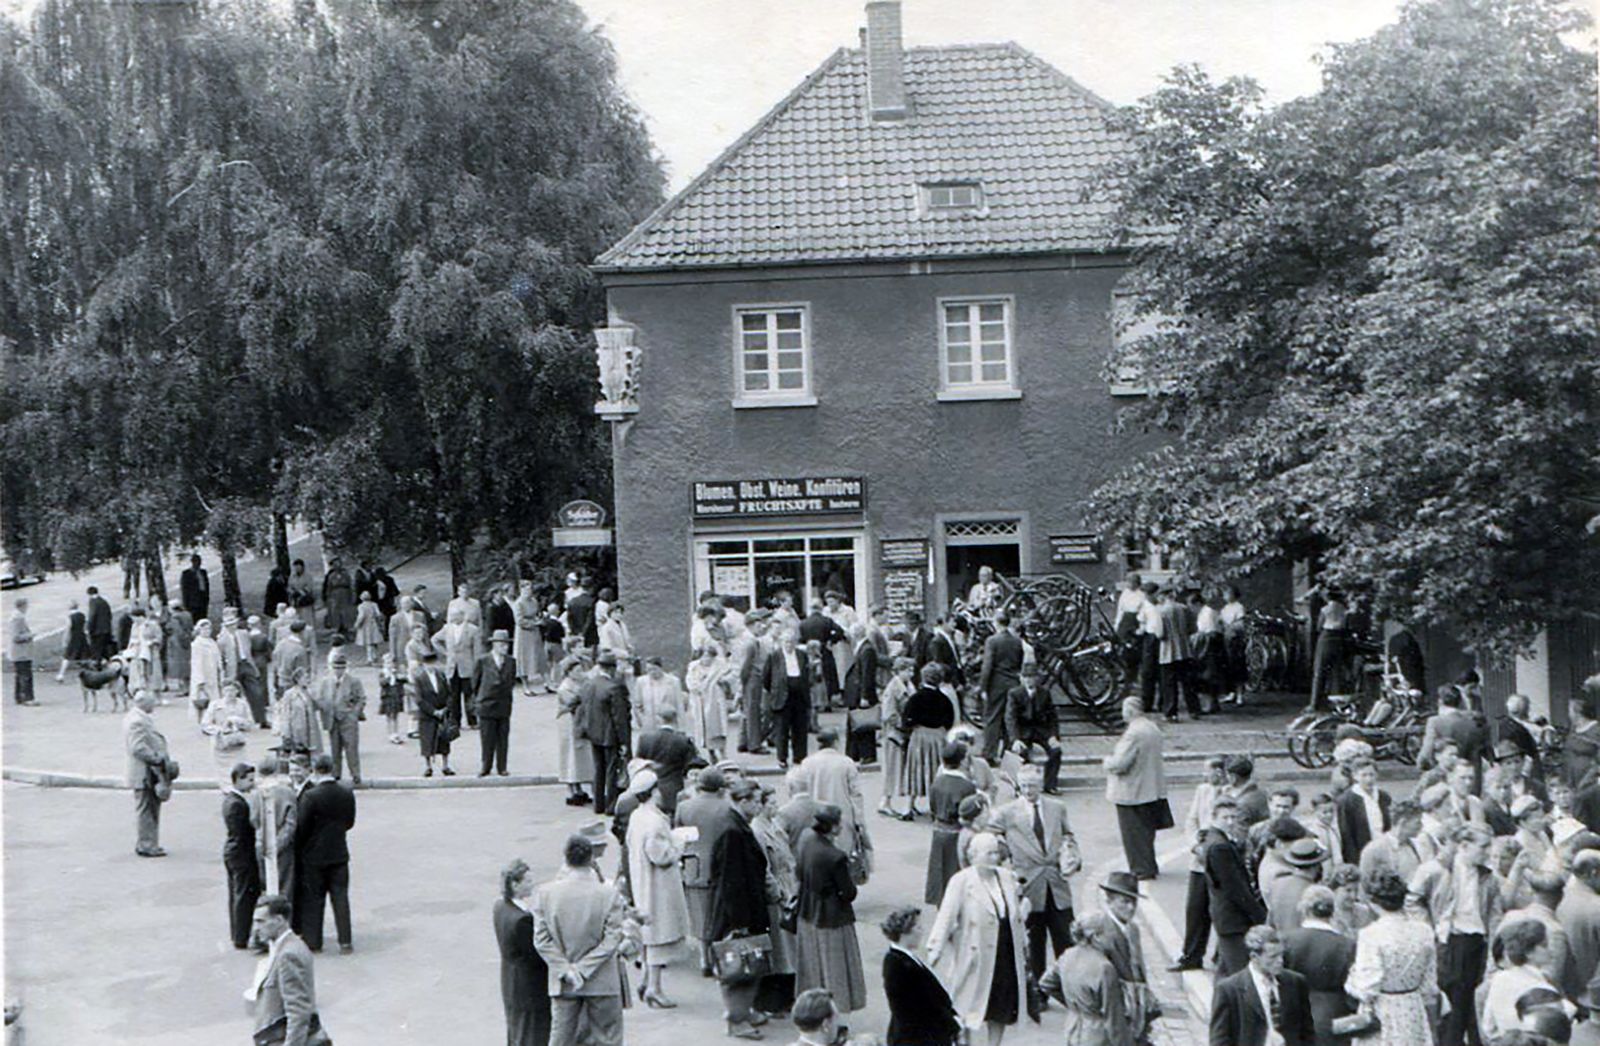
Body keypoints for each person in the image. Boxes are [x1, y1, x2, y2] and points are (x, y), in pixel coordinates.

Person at [928, 831, 1028, 1046]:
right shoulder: (961, 881)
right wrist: (935, 947)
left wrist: (1023, 943)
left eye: (996, 853)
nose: (994, 858)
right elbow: (946, 915)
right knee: (966, 1001)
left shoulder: (1007, 877)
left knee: (1000, 1004)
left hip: (1004, 951)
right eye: (989, 853)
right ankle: (966, 1043)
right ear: (973, 855)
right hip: (974, 953)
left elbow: (1016, 914)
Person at [532, 834, 626, 1046]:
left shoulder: (545, 893)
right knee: (608, 1039)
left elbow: (542, 940)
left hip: (564, 982)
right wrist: (583, 969)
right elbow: (612, 939)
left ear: (566, 858)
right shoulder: (608, 893)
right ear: (591, 858)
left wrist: (567, 969)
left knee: (561, 1039)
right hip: (602, 981)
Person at [990, 762, 1079, 984]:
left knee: (1066, 940)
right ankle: (1038, 990)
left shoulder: (1057, 807)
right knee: (1033, 944)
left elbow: (1068, 835)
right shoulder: (1007, 812)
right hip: (1028, 885)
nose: (1028, 791)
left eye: (1032, 785)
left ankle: (1068, 986)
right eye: (1024, 786)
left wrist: (1071, 856)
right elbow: (989, 835)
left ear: (1041, 785)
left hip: (1057, 884)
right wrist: (1004, 857)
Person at [709, 779, 777, 1039]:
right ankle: (737, 1019)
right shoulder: (733, 831)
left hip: (744, 909)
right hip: (739, 914)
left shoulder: (736, 825)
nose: (760, 806)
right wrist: (740, 923)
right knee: (739, 967)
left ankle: (744, 1012)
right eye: (756, 801)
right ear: (744, 801)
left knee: (749, 965)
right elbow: (731, 881)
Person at [1345, 869, 1438, 1046]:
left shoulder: (1371, 935)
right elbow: (1429, 985)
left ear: (1372, 902)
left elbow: (1367, 989)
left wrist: (1351, 980)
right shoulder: (1424, 932)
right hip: (1413, 1009)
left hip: (1383, 1012)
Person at [626, 769, 691, 1010]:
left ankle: (647, 981)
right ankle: (654, 987)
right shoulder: (654, 822)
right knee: (658, 935)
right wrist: (679, 844)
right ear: (653, 791)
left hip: (642, 881)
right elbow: (660, 856)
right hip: (658, 886)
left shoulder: (637, 816)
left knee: (650, 934)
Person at [795, 804, 866, 1013]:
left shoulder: (807, 841)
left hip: (807, 910)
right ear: (833, 827)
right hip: (832, 917)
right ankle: (836, 1010)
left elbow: (799, 872)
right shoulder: (835, 856)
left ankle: (811, 1008)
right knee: (835, 969)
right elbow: (849, 893)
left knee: (813, 966)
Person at [1210, 925, 1315, 1046]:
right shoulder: (1229, 990)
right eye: (1273, 957)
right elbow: (1219, 1039)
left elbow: (1307, 1032)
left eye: (1281, 955)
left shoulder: (1295, 982)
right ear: (1254, 957)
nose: (1280, 961)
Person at [677, 767, 737, 974]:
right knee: (722, 914)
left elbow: (680, 838)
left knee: (700, 914)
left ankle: (704, 958)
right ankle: (721, 959)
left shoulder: (684, 807)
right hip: (724, 867)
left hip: (695, 867)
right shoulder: (728, 808)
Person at [1037, 913, 1130, 1046]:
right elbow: (1114, 1018)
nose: (1114, 937)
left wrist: (1075, 1004)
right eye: (1110, 932)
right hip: (1097, 1035)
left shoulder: (1068, 955)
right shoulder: (1104, 967)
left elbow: (1046, 983)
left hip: (1072, 1028)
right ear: (1096, 937)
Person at [295, 753, 356, 954]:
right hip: (339, 852)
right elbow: (349, 822)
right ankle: (345, 940)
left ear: (314, 770)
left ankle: (314, 940)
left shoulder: (310, 796)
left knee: (314, 898)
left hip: (314, 855)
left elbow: (302, 827)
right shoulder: (346, 792)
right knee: (340, 897)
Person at [1280, 885, 1356, 1045]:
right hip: (1335, 1014)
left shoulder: (1287, 940)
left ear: (1305, 909)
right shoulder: (1346, 944)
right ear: (1333, 911)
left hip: (1294, 1013)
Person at [247, 894, 327, 1046]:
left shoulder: (288, 955)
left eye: (261, 921)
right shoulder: (288, 946)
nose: (256, 928)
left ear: (279, 920)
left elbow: (298, 1011)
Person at [1103, 695, 1168, 881]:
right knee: (1146, 832)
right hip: (1152, 788)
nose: (1122, 713)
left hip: (1132, 790)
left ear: (1130, 711)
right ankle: (1149, 865)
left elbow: (1120, 764)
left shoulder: (1133, 733)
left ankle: (1141, 869)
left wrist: (1107, 762)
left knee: (1133, 834)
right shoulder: (1152, 728)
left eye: (1124, 709)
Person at [796, 729, 872, 884]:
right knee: (841, 857)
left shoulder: (807, 763)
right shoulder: (846, 763)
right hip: (842, 817)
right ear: (836, 742)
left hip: (815, 816)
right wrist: (859, 821)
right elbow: (856, 795)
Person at [1204, 797, 1267, 977]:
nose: (1230, 822)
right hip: (1233, 917)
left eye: (1233, 817)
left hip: (1225, 915)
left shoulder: (1215, 839)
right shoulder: (1220, 847)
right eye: (1225, 818)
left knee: (1225, 970)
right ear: (1214, 818)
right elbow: (1235, 888)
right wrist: (1259, 915)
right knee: (1239, 971)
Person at [881, 905, 960, 1046]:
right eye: (917, 928)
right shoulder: (899, 966)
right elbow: (921, 1005)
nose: (922, 931)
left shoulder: (904, 959)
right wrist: (952, 1024)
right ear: (905, 933)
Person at [495, 858, 552, 1046]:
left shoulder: (500, 907)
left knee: (516, 1031)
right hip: (530, 988)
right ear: (515, 885)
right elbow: (536, 956)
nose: (532, 884)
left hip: (510, 981)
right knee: (533, 1034)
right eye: (527, 881)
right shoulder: (522, 920)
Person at [1482, 919, 1568, 1041]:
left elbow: (1488, 1027)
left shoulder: (1499, 979)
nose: (1551, 949)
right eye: (1544, 945)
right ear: (1529, 952)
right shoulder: (1540, 989)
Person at [926, 742, 978, 907]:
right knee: (957, 871)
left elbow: (933, 808)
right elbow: (971, 812)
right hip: (958, 833)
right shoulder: (967, 786)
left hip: (939, 831)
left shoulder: (937, 782)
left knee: (940, 871)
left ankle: (941, 905)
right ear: (962, 761)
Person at [578, 650, 631, 814]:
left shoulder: (588, 684)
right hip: (609, 735)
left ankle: (598, 804)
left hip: (593, 733)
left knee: (598, 769)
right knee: (611, 771)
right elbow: (619, 717)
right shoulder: (614, 687)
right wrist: (625, 741)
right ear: (612, 668)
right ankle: (610, 805)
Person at [123, 688, 172, 857]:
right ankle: (147, 844)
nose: (155, 704)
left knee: (148, 808)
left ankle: (147, 842)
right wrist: (156, 758)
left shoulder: (138, 717)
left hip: (146, 772)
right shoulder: (137, 721)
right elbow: (138, 747)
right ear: (143, 703)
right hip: (145, 772)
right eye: (152, 701)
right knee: (147, 809)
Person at [904, 663, 958, 813]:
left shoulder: (915, 698)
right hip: (938, 737)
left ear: (923, 678)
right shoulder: (944, 699)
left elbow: (907, 720)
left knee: (916, 769)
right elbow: (949, 721)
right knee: (936, 770)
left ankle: (909, 806)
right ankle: (935, 807)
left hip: (920, 735)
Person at [223, 762, 263, 949]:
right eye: (249, 780)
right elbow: (243, 832)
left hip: (234, 852)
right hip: (241, 854)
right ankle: (241, 936)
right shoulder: (238, 805)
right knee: (243, 895)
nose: (253, 784)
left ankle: (238, 933)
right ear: (238, 780)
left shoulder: (231, 800)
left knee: (236, 893)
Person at [1005, 661, 1061, 792]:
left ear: (1037, 678)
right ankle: (1020, 785)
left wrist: (1053, 736)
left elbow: (1052, 717)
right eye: (1026, 677)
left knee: (1056, 751)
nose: (1029, 680)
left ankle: (1050, 784)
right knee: (1020, 753)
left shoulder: (1044, 693)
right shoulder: (1014, 693)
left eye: (1032, 677)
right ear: (1021, 678)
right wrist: (1015, 739)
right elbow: (1010, 718)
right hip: (1022, 730)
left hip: (1040, 730)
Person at [312, 651, 365, 786]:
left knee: (351, 748)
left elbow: (361, 698)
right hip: (332, 720)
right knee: (335, 749)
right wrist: (324, 709)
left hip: (348, 720)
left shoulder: (353, 681)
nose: (338, 671)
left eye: (341, 668)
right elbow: (320, 699)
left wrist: (354, 713)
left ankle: (355, 774)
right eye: (336, 668)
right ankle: (335, 774)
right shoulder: (325, 682)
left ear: (345, 668)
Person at [977, 611, 1024, 761]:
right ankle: (1009, 753)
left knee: (992, 718)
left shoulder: (992, 641)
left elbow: (987, 665)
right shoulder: (1017, 641)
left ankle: (989, 753)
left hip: (996, 684)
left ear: (996, 623)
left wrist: (983, 687)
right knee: (1010, 718)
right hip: (1013, 682)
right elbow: (1020, 662)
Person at [634, 705, 697, 815]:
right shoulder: (683, 741)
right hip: (674, 791)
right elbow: (691, 766)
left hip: (649, 791)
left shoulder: (645, 739)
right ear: (675, 719)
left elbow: (638, 764)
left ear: (659, 719)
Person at [253, 753, 297, 902]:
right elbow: (290, 824)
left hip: (261, 843)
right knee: (285, 887)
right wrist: (279, 843)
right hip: (283, 847)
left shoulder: (255, 793)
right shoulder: (287, 792)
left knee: (266, 887)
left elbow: (254, 819)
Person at [766, 630, 813, 769]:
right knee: (782, 730)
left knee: (800, 728)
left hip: (799, 696)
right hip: (782, 697)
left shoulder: (802, 655)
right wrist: (775, 691)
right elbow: (766, 677)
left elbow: (807, 674)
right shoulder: (774, 656)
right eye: (786, 642)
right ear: (782, 642)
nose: (789, 645)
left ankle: (800, 757)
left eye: (792, 642)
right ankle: (782, 758)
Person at [877, 656, 916, 819]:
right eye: (908, 670)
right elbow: (889, 714)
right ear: (899, 671)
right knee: (891, 768)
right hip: (893, 735)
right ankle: (885, 802)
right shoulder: (893, 689)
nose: (911, 673)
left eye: (912, 670)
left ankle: (906, 803)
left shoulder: (909, 686)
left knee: (902, 769)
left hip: (903, 733)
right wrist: (904, 724)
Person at [474, 629, 517, 777]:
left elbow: (511, 681)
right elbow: (475, 682)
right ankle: (485, 766)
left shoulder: (511, 661)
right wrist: (479, 699)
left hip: (503, 704)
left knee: (503, 738)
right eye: (502, 644)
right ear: (494, 645)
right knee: (487, 738)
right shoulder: (483, 661)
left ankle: (502, 767)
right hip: (486, 704)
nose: (505, 647)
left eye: (506, 644)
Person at [1336, 759, 1391, 864]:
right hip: (1362, 853)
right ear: (1355, 776)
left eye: (1371, 775)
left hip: (1384, 849)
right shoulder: (1346, 801)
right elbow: (1346, 834)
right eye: (1364, 775)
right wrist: (1354, 860)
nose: (1368, 779)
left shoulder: (1383, 796)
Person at [552, 657, 591, 803]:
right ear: (569, 672)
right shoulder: (565, 687)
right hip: (568, 722)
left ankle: (579, 787)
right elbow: (573, 702)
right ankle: (571, 788)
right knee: (569, 755)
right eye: (577, 671)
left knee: (580, 756)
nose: (581, 673)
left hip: (579, 721)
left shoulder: (581, 683)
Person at [411, 649, 456, 777]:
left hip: (442, 713)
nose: (430, 666)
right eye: (428, 664)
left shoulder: (441, 675)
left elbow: (449, 693)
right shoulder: (419, 678)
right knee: (427, 741)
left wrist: (446, 708)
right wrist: (433, 711)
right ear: (423, 665)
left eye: (433, 663)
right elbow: (419, 699)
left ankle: (445, 766)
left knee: (444, 741)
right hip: (427, 715)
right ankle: (428, 766)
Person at [687, 642, 735, 762]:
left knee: (718, 728)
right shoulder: (694, 667)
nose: (707, 659)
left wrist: (724, 681)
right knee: (705, 729)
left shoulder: (720, 666)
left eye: (710, 656)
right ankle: (711, 753)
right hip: (701, 701)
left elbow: (731, 676)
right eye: (704, 656)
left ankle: (722, 752)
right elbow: (691, 683)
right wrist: (700, 685)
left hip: (716, 701)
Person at [437, 605, 483, 729]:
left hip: (467, 666)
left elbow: (477, 650)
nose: (453, 618)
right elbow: (434, 640)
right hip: (453, 667)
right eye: (452, 616)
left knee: (469, 694)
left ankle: (472, 721)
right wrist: (446, 653)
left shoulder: (473, 629)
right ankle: (455, 721)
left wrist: (477, 666)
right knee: (453, 696)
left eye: (455, 615)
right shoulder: (447, 628)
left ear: (462, 616)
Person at [1266, 838, 1325, 933]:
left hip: (1280, 939)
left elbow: (1270, 922)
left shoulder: (1277, 883)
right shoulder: (1315, 893)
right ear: (1316, 866)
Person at [275, 666, 323, 762]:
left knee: (314, 756)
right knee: (299, 756)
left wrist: (314, 693)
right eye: (305, 677)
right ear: (298, 679)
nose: (308, 680)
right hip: (297, 730)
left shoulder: (309, 692)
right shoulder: (289, 694)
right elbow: (285, 714)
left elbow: (319, 706)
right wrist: (286, 733)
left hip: (311, 730)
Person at [633, 656, 686, 736]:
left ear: (660, 668)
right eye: (649, 670)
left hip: (669, 724)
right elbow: (637, 704)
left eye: (654, 669)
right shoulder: (641, 682)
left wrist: (682, 727)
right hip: (649, 724)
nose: (652, 672)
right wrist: (642, 720)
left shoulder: (673, 682)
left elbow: (679, 705)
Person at [510, 580, 545, 697]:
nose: (529, 591)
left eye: (530, 589)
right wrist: (533, 624)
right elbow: (519, 621)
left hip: (534, 632)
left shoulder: (534, 601)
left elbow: (537, 613)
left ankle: (546, 682)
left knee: (538, 656)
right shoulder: (518, 603)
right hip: (523, 633)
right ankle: (526, 686)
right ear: (522, 590)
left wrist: (538, 620)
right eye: (526, 589)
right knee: (523, 658)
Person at [190, 618, 224, 716]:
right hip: (204, 675)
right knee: (203, 700)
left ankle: (214, 718)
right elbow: (196, 663)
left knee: (215, 699)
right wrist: (200, 680)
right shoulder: (197, 644)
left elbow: (217, 658)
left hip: (213, 674)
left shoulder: (212, 642)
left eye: (208, 629)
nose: (207, 631)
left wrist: (220, 671)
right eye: (204, 629)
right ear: (199, 630)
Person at [7, 596, 35, 706]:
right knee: (25, 675)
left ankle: (19, 697)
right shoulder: (18, 619)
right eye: (26, 605)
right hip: (21, 653)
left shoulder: (16, 617)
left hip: (18, 653)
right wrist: (29, 635)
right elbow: (16, 637)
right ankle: (27, 698)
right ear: (22, 606)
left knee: (20, 675)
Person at [321, 557, 356, 638]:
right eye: (335, 564)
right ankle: (337, 631)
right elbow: (328, 588)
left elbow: (351, 586)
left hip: (345, 595)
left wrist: (352, 596)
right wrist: (327, 598)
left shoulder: (346, 575)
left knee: (346, 613)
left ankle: (347, 630)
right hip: (335, 597)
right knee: (335, 614)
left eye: (338, 563)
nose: (337, 566)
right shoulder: (331, 576)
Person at [376, 653, 404, 745]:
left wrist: (397, 676)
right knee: (389, 716)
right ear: (384, 664)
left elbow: (403, 680)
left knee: (395, 715)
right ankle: (390, 733)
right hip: (387, 697)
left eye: (391, 663)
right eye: (387, 663)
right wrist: (388, 676)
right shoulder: (383, 673)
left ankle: (395, 733)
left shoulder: (396, 673)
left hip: (396, 696)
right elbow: (382, 683)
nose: (390, 665)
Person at [180, 552, 211, 624]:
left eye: (199, 561)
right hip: (193, 602)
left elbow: (206, 585)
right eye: (196, 561)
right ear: (192, 562)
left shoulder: (203, 572)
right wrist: (186, 603)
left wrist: (207, 597)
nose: (198, 563)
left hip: (203, 599)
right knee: (195, 619)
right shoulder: (187, 574)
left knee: (203, 618)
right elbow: (185, 589)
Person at [87, 585, 115, 661]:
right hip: (107, 629)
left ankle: (98, 664)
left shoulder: (93, 602)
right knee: (105, 649)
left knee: (97, 650)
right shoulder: (104, 601)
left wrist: (89, 628)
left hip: (97, 631)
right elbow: (109, 615)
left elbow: (92, 616)